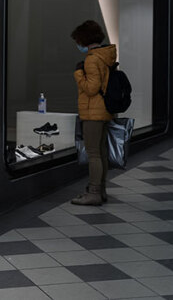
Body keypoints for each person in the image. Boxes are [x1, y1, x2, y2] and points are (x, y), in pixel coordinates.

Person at [70, 20, 116, 206]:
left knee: (93, 153)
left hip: (93, 112)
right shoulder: (105, 56)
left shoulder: (92, 59)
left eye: (78, 41)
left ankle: (94, 192)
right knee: (101, 151)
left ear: (84, 39)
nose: (78, 44)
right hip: (104, 110)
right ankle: (101, 190)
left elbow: (91, 88)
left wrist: (78, 74)